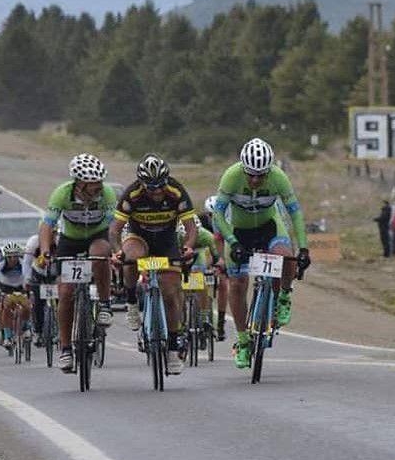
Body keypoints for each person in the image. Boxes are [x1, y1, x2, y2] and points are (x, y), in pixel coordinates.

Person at [212, 138, 311, 369]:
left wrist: (304, 248)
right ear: (243, 168)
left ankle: (284, 296)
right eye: (251, 175)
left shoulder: (279, 178)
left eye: (261, 175)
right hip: (238, 231)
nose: (255, 180)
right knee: (237, 284)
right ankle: (243, 341)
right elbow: (218, 214)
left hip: (269, 227)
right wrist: (232, 242)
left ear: (269, 170)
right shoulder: (231, 176)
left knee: (286, 256)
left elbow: (295, 213)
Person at [109, 154, 197, 376]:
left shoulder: (176, 191)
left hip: (167, 241)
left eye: (160, 186)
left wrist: (188, 246)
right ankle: (131, 301)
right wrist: (117, 251)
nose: (157, 192)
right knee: (130, 256)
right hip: (139, 238)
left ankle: (173, 348)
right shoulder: (132, 194)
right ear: (142, 184)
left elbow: (191, 228)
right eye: (151, 187)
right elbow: (114, 230)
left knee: (171, 293)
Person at [40, 153, 117, 373]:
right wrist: (45, 251)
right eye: (94, 183)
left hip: (97, 236)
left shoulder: (107, 194)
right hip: (70, 241)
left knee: (100, 254)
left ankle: (104, 304)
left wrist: (116, 251)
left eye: (100, 181)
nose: (99, 186)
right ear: (80, 184)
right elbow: (47, 225)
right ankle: (66, 349)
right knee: (65, 293)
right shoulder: (62, 194)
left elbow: (114, 227)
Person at [0, 242, 31, 352]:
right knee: (5, 309)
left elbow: (28, 276)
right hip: (6, 289)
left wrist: (28, 288)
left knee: (27, 306)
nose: (13, 259)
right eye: (10, 257)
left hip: (20, 287)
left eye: (15, 256)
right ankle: (7, 336)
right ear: (6, 257)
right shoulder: (1, 266)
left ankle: (26, 326)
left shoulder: (23, 264)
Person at [22, 233, 56, 348]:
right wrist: (27, 280)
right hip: (38, 273)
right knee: (38, 303)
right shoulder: (33, 242)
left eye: (54, 234)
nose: (52, 236)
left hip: (55, 273)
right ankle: (38, 331)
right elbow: (26, 263)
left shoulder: (60, 241)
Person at [203, 197, 229, 341]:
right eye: (211, 215)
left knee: (223, 284)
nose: (214, 218)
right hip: (204, 254)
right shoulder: (201, 223)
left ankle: (220, 322)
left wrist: (223, 263)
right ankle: (201, 315)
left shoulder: (226, 223)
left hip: (220, 255)